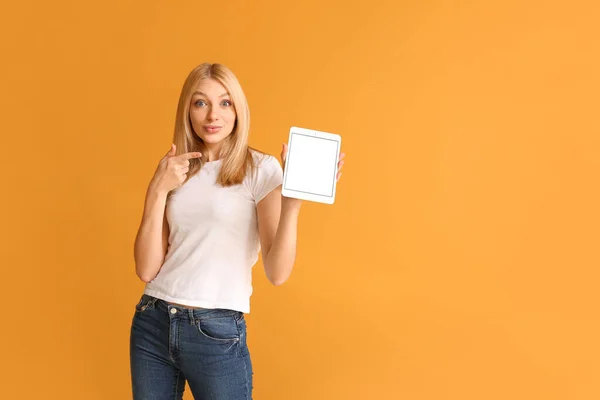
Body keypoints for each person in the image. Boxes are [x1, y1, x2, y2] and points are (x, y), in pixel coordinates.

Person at [129, 62, 345, 399]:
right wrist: (157, 190)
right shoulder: (175, 169)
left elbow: (277, 272)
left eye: (225, 103)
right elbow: (145, 268)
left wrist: (292, 205)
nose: (213, 115)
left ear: (238, 110)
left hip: (215, 331)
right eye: (201, 103)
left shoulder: (261, 169)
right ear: (188, 110)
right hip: (153, 320)